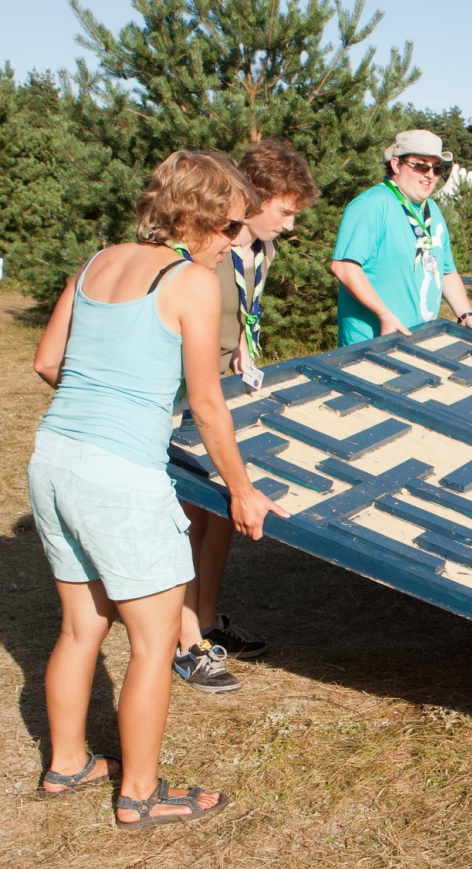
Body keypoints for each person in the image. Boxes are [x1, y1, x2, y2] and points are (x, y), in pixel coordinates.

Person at [28, 151, 285, 830]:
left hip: (54, 456)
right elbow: (206, 402)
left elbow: (47, 360)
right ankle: (140, 794)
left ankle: (68, 763)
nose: (236, 242)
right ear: (198, 217)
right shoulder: (190, 282)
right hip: (120, 477)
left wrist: (99, 404)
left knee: (82, 627)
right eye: (232, 228)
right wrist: (242, 491)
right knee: (152, 642)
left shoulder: (97, 263)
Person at [174, 140, 320, 693]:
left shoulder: (261, 249)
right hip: (186, 392)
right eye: (283, 211)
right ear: (252, 200)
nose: (288, 225)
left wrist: (244, 351)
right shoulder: (209, 249)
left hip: (226, 379)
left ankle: (208, 620)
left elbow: (241, 313)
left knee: (217, 514)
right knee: (189, 515)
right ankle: (183, 642)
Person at [330, 129, 472, 345]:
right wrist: (384, 315)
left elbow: (445, 271)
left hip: (419, 340)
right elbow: (344, 267)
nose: (429, 174)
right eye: (420, 165)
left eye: (436, 168)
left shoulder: (433, 210)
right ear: (395, 164)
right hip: (372, 344)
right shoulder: (371, 205)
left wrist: (465, 315)